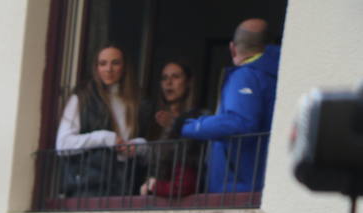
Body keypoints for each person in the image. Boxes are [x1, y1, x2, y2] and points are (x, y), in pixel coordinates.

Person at [170, 20, 279, 194]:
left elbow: (239, 122)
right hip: (264, 184)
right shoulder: (276, 75)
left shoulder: (245, 75)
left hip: (238, 186)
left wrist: (186, 126)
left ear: (232, 48)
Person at [55, 45, 144, 196]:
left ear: (125, 67)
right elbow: (63, 144)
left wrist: (139, 146)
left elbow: (149, 145)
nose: (109, 69)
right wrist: (104, 138)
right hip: (89, 187)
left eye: (115, 63)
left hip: (126, 186)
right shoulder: (82, 98)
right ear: (96, 68)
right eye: (103, 63)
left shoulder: (138, 102)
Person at [139, 60, 208, 198]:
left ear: (188, 82)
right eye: (164, 78)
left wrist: (175, 126)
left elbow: (197, 156)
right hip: (151, 197)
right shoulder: (153, 122)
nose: (168, 83)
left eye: (175, 77)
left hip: (182, 200)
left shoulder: (201, 118)